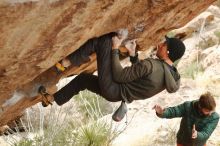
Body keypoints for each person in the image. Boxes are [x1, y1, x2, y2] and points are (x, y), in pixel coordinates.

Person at [39, 29, 185, 121]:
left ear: (168, 52)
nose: (160, 44)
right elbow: (142, 77)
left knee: (103, 41)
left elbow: (119, 75)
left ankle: (64, 63)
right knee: (83, 80)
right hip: (116, 94)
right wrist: (133, 54)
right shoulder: (171, 76)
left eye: (164, 44)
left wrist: (115, 47)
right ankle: (50, 99)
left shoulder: (152, 65)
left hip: (113, 86)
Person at [153, 92, 219, 146]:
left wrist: (197, 134)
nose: (210, 113)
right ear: (200, 106)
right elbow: (174, 111)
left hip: (199, 144)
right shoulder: (188, 106)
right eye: (207, 111)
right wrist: (162, 113)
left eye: (212, 110)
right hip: (183, 142)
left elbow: (206, 133)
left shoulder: (215, 117)